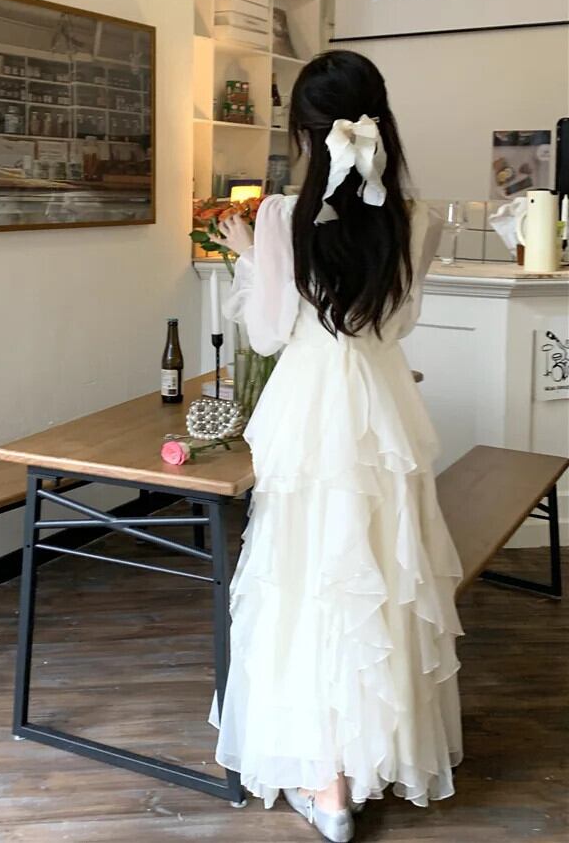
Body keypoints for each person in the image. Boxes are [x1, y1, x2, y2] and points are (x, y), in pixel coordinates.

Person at [213, 50, 463, 843]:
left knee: (307, 575)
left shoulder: (280, 216)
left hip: (310, 409)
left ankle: (327, 786)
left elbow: (268, 333)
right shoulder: (416, 216)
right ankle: (363, 758)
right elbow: (397, 324)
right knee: (379, 574)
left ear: (304, 130)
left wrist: (249, 255)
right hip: (382, 409)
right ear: (380, 117)